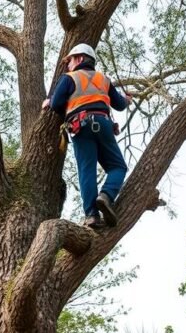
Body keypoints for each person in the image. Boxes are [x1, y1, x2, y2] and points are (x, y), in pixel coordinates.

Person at [42, 44, 129, 229]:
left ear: (80, 59)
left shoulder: (69, 78)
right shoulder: (104, 79)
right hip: (103, 124)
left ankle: (91, 215)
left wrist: (49, 101)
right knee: (118, 167)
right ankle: (106, 195)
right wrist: (127, 100)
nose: (68, 65)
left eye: (70, 60)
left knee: (87, 170)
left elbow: (57, 104)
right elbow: (120, 105)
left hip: (80, 126)